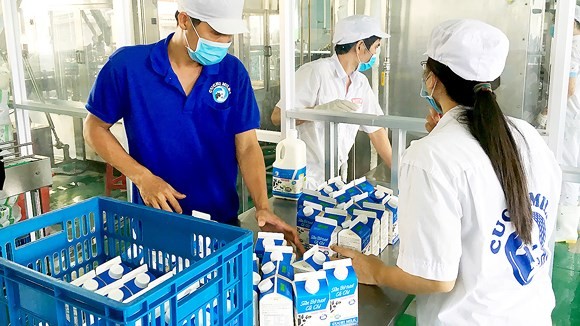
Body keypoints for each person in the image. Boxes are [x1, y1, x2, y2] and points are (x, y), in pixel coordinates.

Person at [334, 19, 562, 324]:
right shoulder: (528, 135)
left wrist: (374, 270)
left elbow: (435, 278)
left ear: (433, 80)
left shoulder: (430, 156)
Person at [83, 0, 303, 252]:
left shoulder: (232, 73)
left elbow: (247, 147)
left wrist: (263, 207)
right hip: (158, 221)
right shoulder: (128, 67)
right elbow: (94, 128)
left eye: (228, 36)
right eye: (216, 33)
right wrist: (142, 178)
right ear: (184, 20)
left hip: (220, 222)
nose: (223, 44)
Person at [271, 15, 393, 189]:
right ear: (360, 46)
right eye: (376, 47)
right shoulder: (315, 72)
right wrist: (319, 111)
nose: (375, 54)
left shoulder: (360, 83)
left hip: (333, 176)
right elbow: (277, 117)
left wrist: (398, 172)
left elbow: (376, 130)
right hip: (302, 175)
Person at [555, 5, 580, 242]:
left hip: (571, 114)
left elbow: (569, 89)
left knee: (568, 160)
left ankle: (567, 227)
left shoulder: (573, 45)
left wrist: (549, 108)